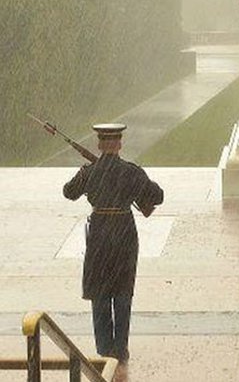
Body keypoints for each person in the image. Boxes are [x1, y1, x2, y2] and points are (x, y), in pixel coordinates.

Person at [63, 123, 164, 364]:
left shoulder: (90, 172)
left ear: (99, 145)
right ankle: (121, 348)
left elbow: (69, 192)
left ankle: (104, 349)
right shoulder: (131, 172)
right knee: (122, 291)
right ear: (119, 144)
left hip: (99, 234)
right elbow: (158, 196)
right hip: (123, 233)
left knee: (100, 292)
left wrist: (84, 172)